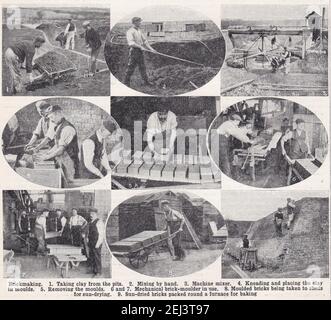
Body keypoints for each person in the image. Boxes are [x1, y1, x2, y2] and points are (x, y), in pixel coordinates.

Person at [35, 105, 80, 181]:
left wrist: (46, 157)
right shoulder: (58, 126)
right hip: (63, 160)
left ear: (59, 114)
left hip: (70, 163)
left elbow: (61, 150)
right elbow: (57, 145)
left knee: (69, 182)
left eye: (52, 117)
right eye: (49, 118)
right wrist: (47, 153)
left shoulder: (67, 128)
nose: (51, 120)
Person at [124, 17, 156, 86]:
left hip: (140, 52)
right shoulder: (130, 31)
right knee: (131, 67)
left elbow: (145, 41)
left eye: (140, 21)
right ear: (135, 22)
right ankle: (126, 83)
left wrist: (151, 49)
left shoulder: (139, 30)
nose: (140, 23)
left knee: (142, 67)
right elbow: (131, 43)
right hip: (134, 51)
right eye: (139, 21)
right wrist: (140, 47)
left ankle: (146, 82)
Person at [88, 208, 104, 277]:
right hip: (91, 242)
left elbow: (101, 234)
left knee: (97, 257)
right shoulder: (91, 222)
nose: (91, 215)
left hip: (96, 242)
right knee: (92, 256)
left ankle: (98, 272)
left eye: (93, 214)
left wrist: (98, 244)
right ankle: (94, 270)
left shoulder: (99, 222)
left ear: (96, 214)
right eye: (90, 214)